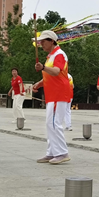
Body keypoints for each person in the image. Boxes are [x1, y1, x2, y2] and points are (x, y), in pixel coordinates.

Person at [34, 30, 72, 164]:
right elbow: (50, 75)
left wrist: (43, 67)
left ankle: (62, 152)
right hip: (52, 93)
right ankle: (52, 152)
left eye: (43, 41)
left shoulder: (59, 54)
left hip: (59, 93)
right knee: (49, 123)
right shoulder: (51, 56)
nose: (41, 44)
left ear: (51, 41)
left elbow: (56, 71)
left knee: (55, 123)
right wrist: (40, 83)